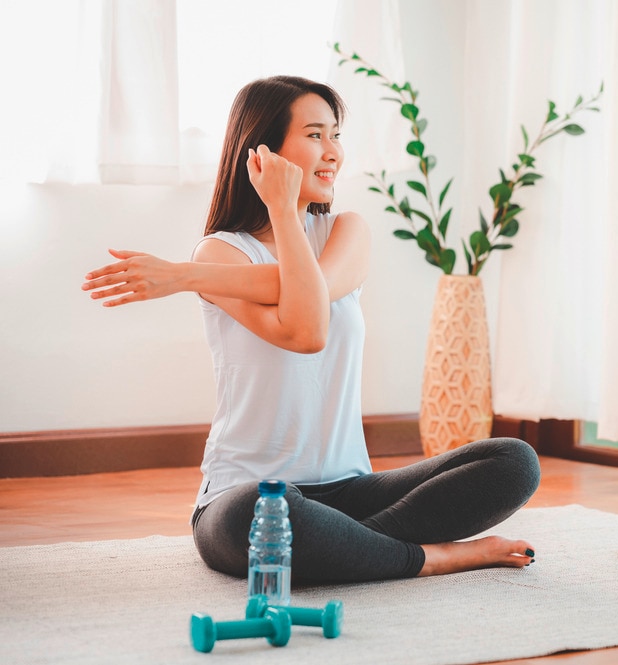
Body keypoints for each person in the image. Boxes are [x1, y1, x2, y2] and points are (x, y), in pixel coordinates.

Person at [81, 75, 540, 583]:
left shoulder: (347, 231)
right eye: (316, 134)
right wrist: (273, 211)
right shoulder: (222, 251)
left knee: (513, 460)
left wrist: (184, 277)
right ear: (263, 153)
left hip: (350, 492)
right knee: (259, 514)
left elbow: (309, 299)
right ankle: (433, 557)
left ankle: (351, 547)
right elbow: (306, 331)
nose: (333, 152)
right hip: (247, 494)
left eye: (336, 135)